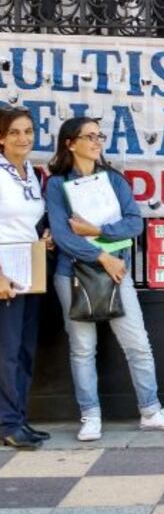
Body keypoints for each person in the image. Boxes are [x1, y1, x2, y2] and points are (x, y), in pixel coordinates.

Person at [46, 117, 164, 441]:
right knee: (82, 348)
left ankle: (151, 410)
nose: (97, 142)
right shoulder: (56, 185)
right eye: (90, 136)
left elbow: (134, 224)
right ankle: (90, 416)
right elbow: (62, 235)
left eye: (100, 136)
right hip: (74, 274)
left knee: (137, 343)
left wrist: (97, 231)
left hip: (117, 273)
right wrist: (102, 255)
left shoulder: (113, 180)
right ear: (70, 143)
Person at [0, 108, 51, 449]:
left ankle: (18, 418)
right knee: (6, 351)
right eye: (15, 132)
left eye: (28, 131)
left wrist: (43, 238)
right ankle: (6, 423)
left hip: (28, 268)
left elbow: (27, 220)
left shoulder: (31, 173)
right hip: (5, 272)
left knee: (23, 349)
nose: (24, 138)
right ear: (1, 138)